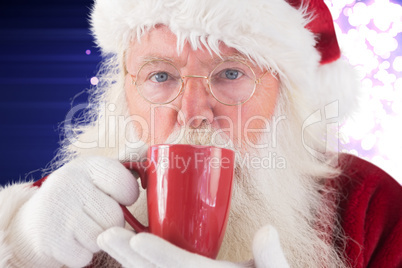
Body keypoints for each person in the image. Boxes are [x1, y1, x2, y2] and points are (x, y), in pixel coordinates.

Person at [1, 0, 401, 267]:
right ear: (123, 93)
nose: (192, 113)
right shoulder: (67, 200)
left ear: (285, 95)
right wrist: (22, 246)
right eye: (160, 75)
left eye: (231, 73)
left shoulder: (374, 207)